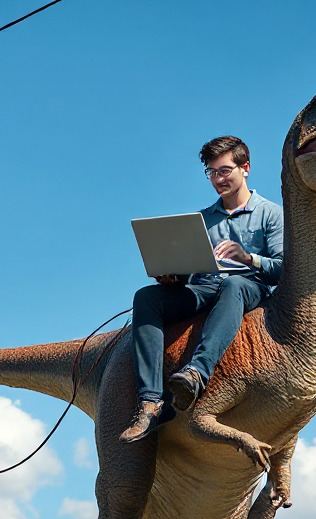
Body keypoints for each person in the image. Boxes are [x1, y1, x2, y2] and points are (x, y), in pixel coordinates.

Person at [119, 135, 284, 443]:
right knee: (146, 297)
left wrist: (249, 258)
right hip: (204, 287)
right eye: (211, 172)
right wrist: (172, 277)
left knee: (234, 284)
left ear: (244, 168)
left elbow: (282, 269)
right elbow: (190, 272)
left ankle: (197, 371)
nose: (217, 179)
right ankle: (151, 402)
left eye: (224, 170)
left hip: (249, 286)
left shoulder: (270, 213)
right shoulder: (202, 220)